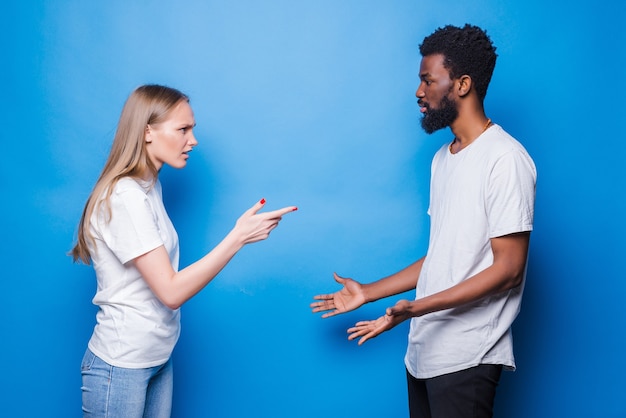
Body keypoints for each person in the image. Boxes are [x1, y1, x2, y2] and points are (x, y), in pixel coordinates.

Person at [311, 24, 536, 418]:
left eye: (427, 80)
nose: (419, 92)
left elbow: (509, 270)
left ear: (462, 84)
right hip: (423, 354)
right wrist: (368, 292)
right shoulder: (443, 159)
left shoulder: (505, 159)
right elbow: (443, 256)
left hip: (469, 356)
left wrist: (420, 307)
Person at [71, 84, 297, 417]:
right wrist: (237, 238)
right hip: (121, 367)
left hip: (157, 358)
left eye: (192, 129)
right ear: (147, 131)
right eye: (183, 129)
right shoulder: (126, 197)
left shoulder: (149, 187)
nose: (193, 140)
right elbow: (171, 291)